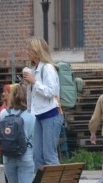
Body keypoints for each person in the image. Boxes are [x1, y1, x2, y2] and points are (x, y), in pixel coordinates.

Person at [22, 37, 64, 168]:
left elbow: (51, 92)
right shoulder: (34, 69)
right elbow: (34, 96)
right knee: (37, 156)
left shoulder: (48, 68)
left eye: (29, 50)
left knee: (49, 156)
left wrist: (34, 82)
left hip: (50, 114)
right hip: (39, 115)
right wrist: (28, 84)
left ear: (37, 51)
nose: (27, 52)